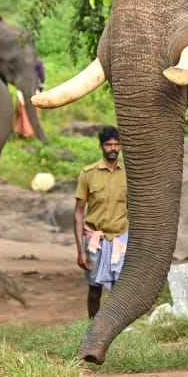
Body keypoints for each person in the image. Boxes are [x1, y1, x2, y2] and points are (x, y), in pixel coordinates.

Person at [73, 126, 129, 319]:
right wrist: (80, 251)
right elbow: (79, 213)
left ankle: (115, 332)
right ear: (101, 147)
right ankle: (93, 330)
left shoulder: (128, 174)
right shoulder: (88, 174)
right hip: (95, 240)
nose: (113, 148)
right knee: (94, 290)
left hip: (120, 239)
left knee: (119, 291)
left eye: (116, 144)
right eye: (108, 145)